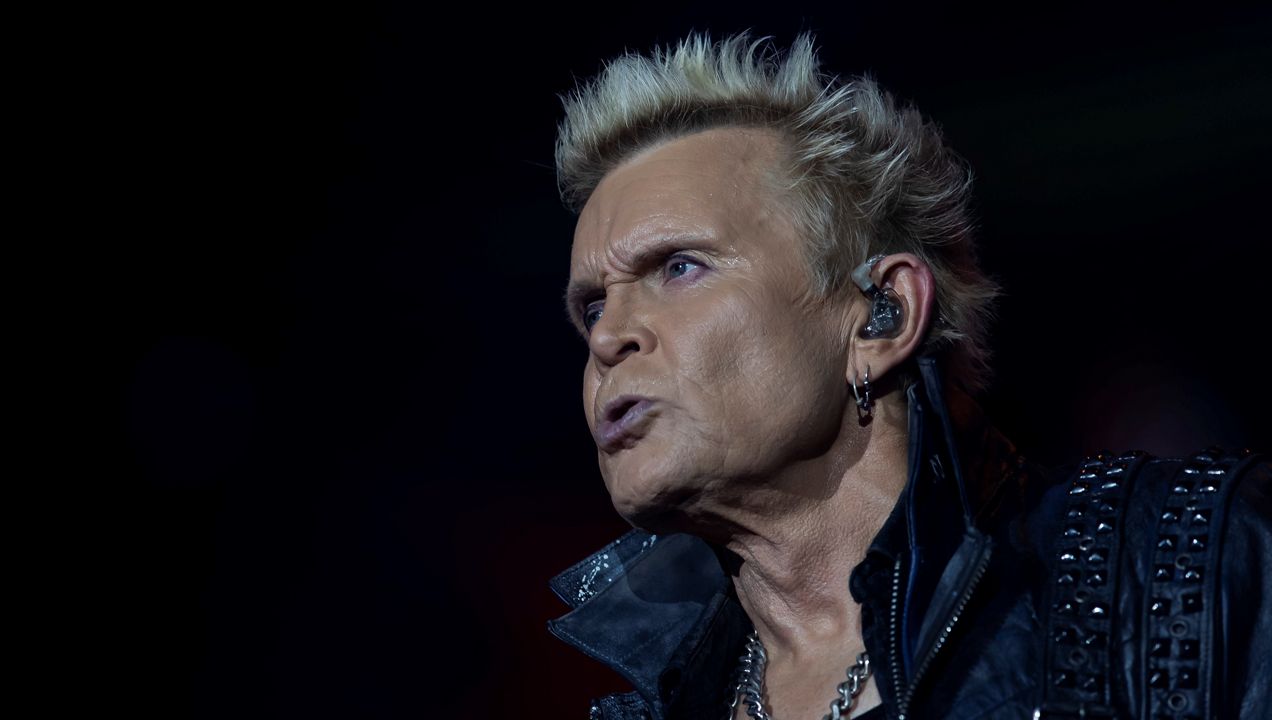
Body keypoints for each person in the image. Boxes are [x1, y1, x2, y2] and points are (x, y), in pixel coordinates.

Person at [545, 31, 1271, 720]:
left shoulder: (1181, 567)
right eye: (592, 306)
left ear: (879, 315)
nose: (608, 337)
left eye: (679, 267)